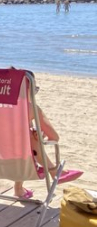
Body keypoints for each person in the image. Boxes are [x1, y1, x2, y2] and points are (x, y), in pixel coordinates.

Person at [11, 69, 81, 199]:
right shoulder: (31, 109)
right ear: (28, 89)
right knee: (31, 141)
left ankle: (19, 189)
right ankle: (54, 171)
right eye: (34, 89)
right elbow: (54, 137)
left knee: (29, 138)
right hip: (21, 160)